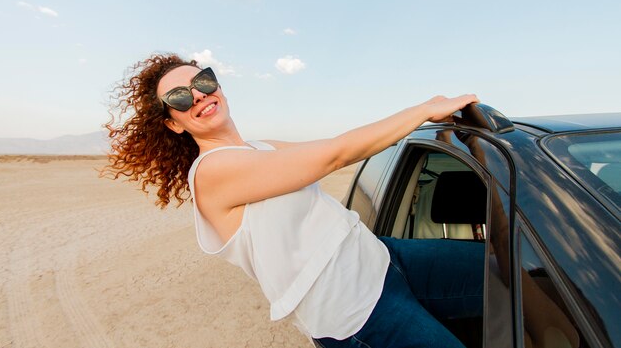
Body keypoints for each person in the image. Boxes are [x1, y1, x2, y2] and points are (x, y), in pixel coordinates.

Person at [104, 53, 484, 348]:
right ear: (173, 123)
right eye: (180, 97)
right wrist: (423, 109)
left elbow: (335, 144)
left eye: (203, 80)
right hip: (358, 313)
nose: (199, 94)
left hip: (384, 259)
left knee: (516, 271)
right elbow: (335, 155)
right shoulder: (212, 173)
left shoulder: (261, 148)